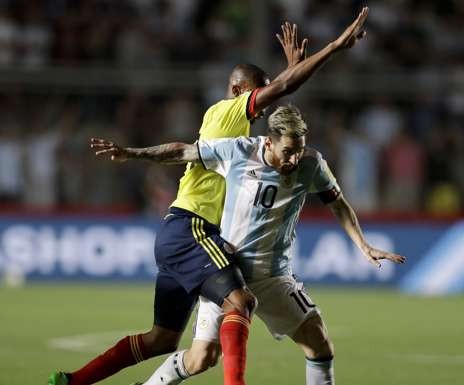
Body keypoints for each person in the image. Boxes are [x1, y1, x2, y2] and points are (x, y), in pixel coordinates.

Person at [50, 7, 371, 385]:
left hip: (179, 234)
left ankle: (72, 382)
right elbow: (284, 89)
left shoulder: (240, 132)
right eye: (259, 95)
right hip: (194, 231)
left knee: (165, 341)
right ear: (237, 91)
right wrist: (333, 47)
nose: (263, 106)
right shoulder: (227, 113)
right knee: (242, 302)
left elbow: (282, 93)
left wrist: (289, 72)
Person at [90, 104, 406, 385]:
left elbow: (337, 203)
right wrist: (133, 153)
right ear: (268, 142)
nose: (293, 159)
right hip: (227, 273)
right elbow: (181, 151)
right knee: (201, 358)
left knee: (318, 340)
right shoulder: (238, 151)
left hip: (273, 276)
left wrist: (363, 245)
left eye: (299, 150)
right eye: (287, 152)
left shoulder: (312, 164)